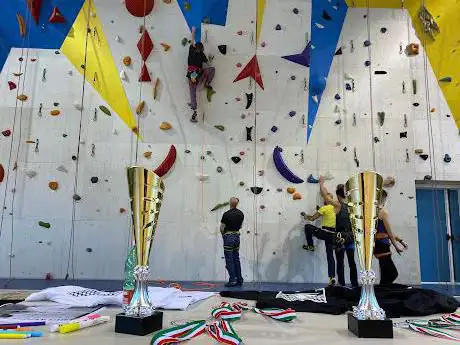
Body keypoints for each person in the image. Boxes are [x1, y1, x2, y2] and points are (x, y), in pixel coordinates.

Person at [319, 177, 358, 288]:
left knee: (340, 262)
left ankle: (341, 285)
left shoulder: (337, 205)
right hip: (350, 237)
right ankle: (355, 285)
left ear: (337, 195)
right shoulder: (352, 206)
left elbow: (325, 196)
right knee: (352, 262)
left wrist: (321, 184)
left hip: (340, 238)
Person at [301, 194, 339, 286]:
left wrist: (305, 215)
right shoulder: (335, 208)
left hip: (324, 233)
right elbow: (327, 215)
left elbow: (312, 218)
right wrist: (319, 209)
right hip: (332, 235)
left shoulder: (323, 208)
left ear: (325, 199)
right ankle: (331, 278)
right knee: (330, 256)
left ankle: (311, 246)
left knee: (307, 227)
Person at [375, 190, 407, 284]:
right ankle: (382, 293)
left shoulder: (373, 212)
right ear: (384, 199)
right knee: (392, 274)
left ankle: (383, 293)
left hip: (377, 246)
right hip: (383, 246)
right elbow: (389, 233)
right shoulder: (383, 212)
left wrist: (400, 241)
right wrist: (397, 247)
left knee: (386, 274)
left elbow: (384, 233)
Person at [187, 26, 215, 123]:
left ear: (196, 47)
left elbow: (192, 41)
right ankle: (207, 83)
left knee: (192, 93)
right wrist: (210, 58)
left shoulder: (191, 50)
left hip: (190, 76)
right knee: (212, 69)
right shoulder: (202, 55)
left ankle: (194, 109)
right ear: (202, 49)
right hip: (199, 75)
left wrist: (193, 31)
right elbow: (208, 64)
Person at [220, 197, 244, 287]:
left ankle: (232, 280)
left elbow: (222, 228)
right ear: (237, 203)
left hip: (228, 237)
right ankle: (239, 279)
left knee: (229, 259)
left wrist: (224, 235)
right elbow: (240, 226)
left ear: (230, 203)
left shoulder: (226, 214)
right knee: (236, 258)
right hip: (237, 237)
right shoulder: (241, 214)